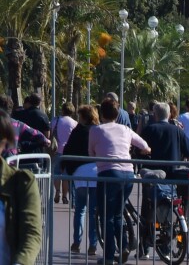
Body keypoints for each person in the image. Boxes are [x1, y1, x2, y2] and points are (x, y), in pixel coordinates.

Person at [89, 98, 151, 265]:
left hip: (108, 174)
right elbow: (144, 145)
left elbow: (91, 153)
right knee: (117, 214)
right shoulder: (125, 128)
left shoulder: (96, 130)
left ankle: (109, 256)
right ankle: (123, 246)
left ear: (101, 113)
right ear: (118, 114)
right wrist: (145, 151)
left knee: (106, 216)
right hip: (128, 174)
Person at [139, 102, 189, 259]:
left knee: (147, 209)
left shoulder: (149, 130)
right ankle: (167, 244)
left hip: (153, 176)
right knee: (170, 209)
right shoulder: (177, 131)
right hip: (172, 177)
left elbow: (139, 152)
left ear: (155, 114)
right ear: (169, 115)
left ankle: (144, 247)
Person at [0, 109, 42, 264]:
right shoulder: (22, 124)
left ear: (4, 142)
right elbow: (42, 137)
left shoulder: (21, 182)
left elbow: (31, 234)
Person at [62, 105, 100, 256]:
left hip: (80, 174)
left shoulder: (77, 131)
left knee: (80, 210)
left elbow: (68, 149)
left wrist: (67, 168)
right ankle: (93, 244)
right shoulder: (98, 131)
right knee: (94, 211)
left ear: (83, 117)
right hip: (96, 173)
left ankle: (76, 242)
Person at [0, 94, 50, 159]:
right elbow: (42, 136)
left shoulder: (19, 114)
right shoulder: (17, 124)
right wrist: (46, 141)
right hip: (13, 163)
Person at [51, 102, 77, 204]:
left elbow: (50, 132)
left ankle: (57, 191)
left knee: (56, 173)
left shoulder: (55, 120)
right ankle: (65, 196)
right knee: (66, 175)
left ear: (62, 110)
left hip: (56, 150)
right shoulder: (74, 123)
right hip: (68, 152)